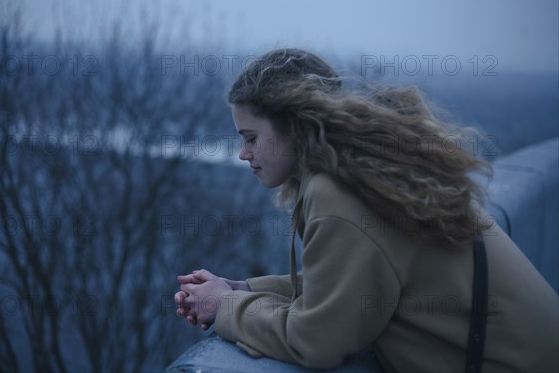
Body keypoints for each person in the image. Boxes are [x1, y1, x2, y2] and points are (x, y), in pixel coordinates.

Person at [174, 48, 558, 372]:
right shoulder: (362, 170)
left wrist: (225, 307)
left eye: (251, 138)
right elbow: (356, 289)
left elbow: (318, 339)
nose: (243, 154)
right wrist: (241, 290)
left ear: (293, 126)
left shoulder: (337, 192)